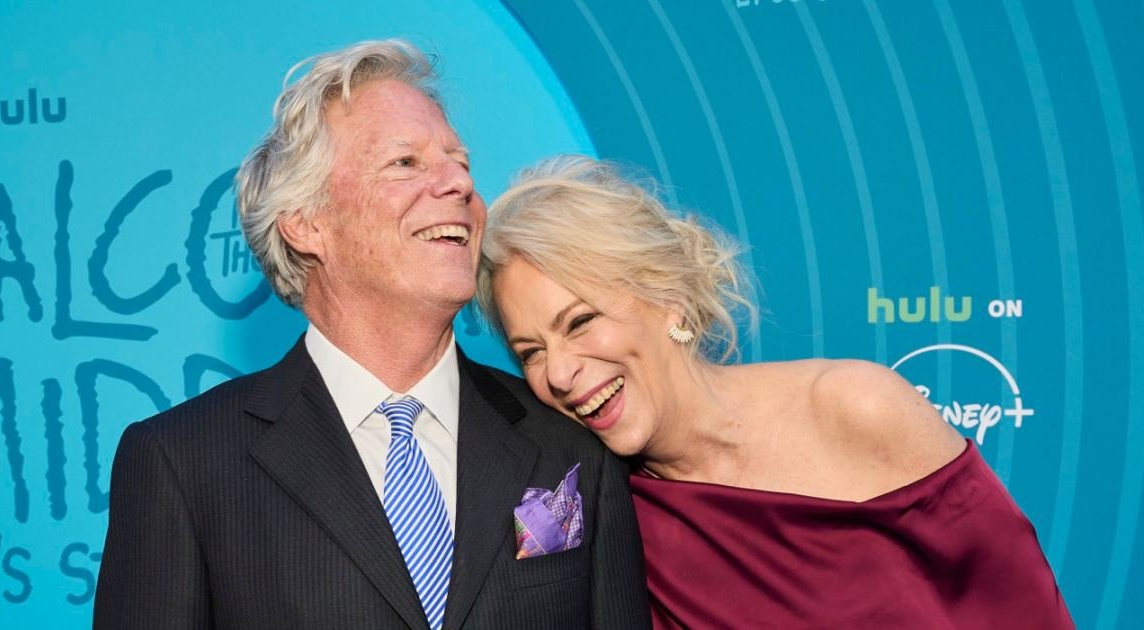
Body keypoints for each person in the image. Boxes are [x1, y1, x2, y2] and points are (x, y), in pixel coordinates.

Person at [94, 42, 650, 630]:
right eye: (405, 163)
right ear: (306, 224)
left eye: (460, 161)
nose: (458, 183)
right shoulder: (184, 462)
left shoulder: (569, 446)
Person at [475, 155, 1075, 629]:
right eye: (531, 352)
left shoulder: (855, 408)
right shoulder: (598, 512)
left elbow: (1021, 606)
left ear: (667, 298)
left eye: (580, 322)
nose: (559, 373)